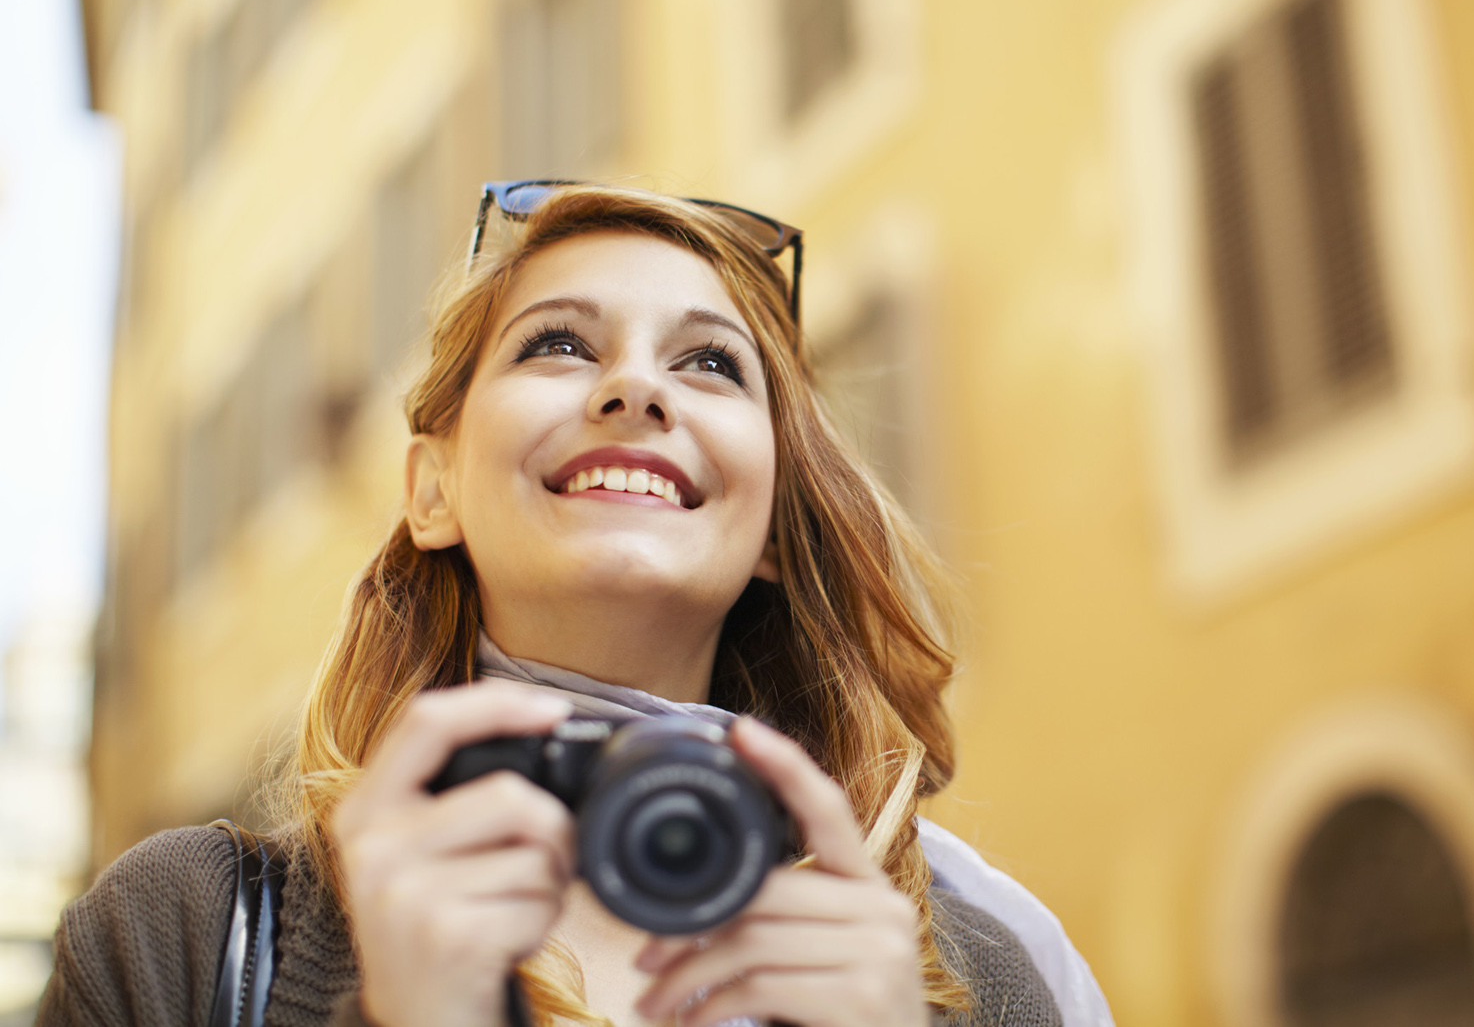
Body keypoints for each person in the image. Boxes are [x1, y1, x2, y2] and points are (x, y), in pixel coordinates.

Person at [39, 184, 1111, 1027]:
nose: (636, 389)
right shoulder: (175, 933)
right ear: (432, 489)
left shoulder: (989, 982)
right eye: (558, 342)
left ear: (780, 525)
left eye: (709, 362)